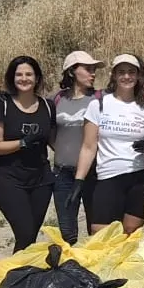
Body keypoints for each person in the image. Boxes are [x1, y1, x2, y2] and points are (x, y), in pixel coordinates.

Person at [0, 56, 56, 252]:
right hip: (8, 178)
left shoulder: (48, 106)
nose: (24, 78)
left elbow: (54, 141)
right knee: (24, 231)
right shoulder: (2, 105)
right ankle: (16, 277)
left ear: (37, 77)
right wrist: (22, 143)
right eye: (19, 74)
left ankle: (23, 276)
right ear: (11, 78)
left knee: (30, 236)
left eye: (29, 74)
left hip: (41, 178)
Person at [77, 54, 144, 233]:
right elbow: (88, 147)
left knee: (130, 231)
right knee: (101, 233)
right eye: (121, 72)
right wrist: (78, 180)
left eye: (131, 72)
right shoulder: (99, 105)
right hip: (108, 176)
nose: (126, 77)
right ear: (113, 75)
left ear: (138, 75)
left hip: (138, 175)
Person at [50, 50, 102, 244]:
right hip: (62, 173)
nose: (93, 73)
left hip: (93, 172)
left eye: (94, 69)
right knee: (67, 231)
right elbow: (49, 131)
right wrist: (64, 151)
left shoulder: (99, 99)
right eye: (87, 69)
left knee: (96, 229)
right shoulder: (57, 100)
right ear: (72, 71)